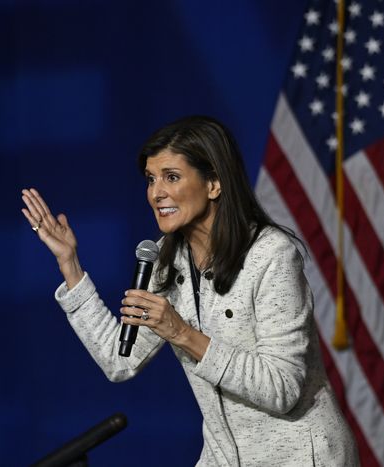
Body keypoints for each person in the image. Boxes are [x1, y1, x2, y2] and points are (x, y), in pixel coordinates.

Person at [20, 116, 358, 466]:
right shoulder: (166, 259)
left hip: (303, 456)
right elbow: (119, 361)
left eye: (172, 177)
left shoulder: (271, 255)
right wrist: (70, 265)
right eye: (151, 179)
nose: (156, 193)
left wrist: (181, 333)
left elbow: (281, 389)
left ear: (214, 183)